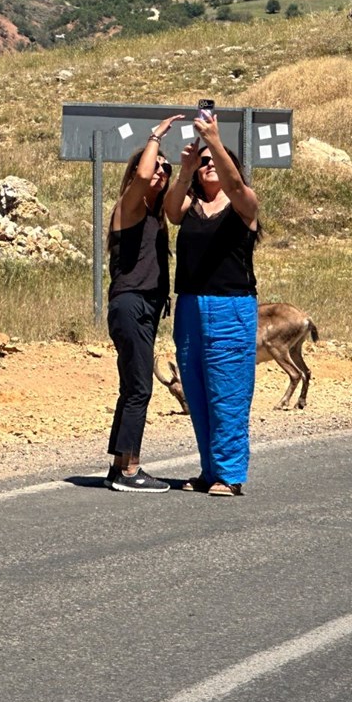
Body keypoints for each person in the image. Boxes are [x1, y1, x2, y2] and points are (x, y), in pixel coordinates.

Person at [163, 109, 260, 497]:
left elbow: (237, 188)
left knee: (229, 392)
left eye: (214, 161)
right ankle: (209, 470)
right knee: (199, 392)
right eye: (204, 162)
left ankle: (230, 474)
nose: (208, 166)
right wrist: (185, 168)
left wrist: (215, 141)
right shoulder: (189, 207)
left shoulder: (243, 206)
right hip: (190, 306)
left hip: (231, 308)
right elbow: (171, 211)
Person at [103, 115, 181, 493]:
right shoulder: (129, 207)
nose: (162, 171)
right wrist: (155, 137)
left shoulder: (154, 216)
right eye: (157, 165)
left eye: (167, 168)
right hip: (131, 305)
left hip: (143, 308)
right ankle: (131, 470)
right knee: (140, 389)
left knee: (131, 386)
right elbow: (143, 175)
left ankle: (119, 465)